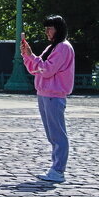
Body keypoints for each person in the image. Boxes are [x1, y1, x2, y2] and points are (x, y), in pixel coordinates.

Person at [22, 15, 75, 184]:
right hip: (45, 93)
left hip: (54, 94)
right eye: (46, 28)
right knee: (52, 133)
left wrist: (32, 56)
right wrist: (27, 56)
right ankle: (55, 168)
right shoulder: (52, 47)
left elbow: (47, 69)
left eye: (49, 28)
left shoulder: (63, 48)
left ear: (58, 29)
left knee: (57, 133)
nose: (46, 32)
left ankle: (58, 170)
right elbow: (36, 69)